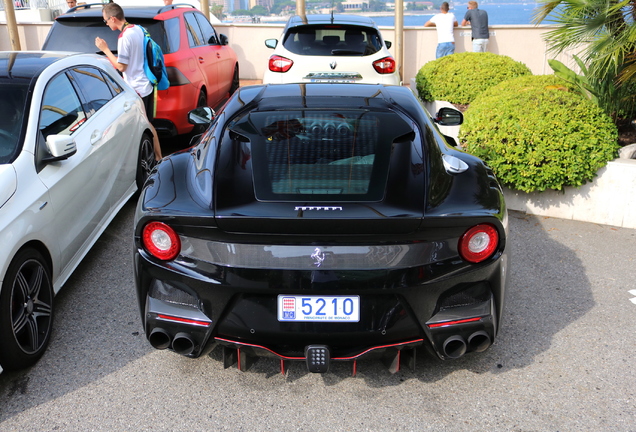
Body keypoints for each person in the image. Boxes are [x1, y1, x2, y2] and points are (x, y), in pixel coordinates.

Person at [95, 2, 162, 161]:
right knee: (147, 125)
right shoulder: (137, 28)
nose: (106, 24)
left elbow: (121, 66)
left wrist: (104, 49)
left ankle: (159, 159)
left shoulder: (124, 37)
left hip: (137, 89)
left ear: (113, 18)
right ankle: (157, 158)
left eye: (106, 21)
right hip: (146, 85)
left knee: (146, 126)